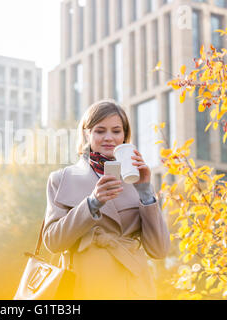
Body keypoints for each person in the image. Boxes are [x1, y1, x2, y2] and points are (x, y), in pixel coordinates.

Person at [42, 99, 170, 299]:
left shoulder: (137, 179)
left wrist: (145, 190)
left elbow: (160, 250)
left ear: (125, 136)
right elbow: (53, 242)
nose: (109, 138)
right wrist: (92, 203)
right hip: (83, 287)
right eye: (100, 131)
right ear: (87, 133)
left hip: (133, 288)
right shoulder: (61, 179)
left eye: (116, 131)